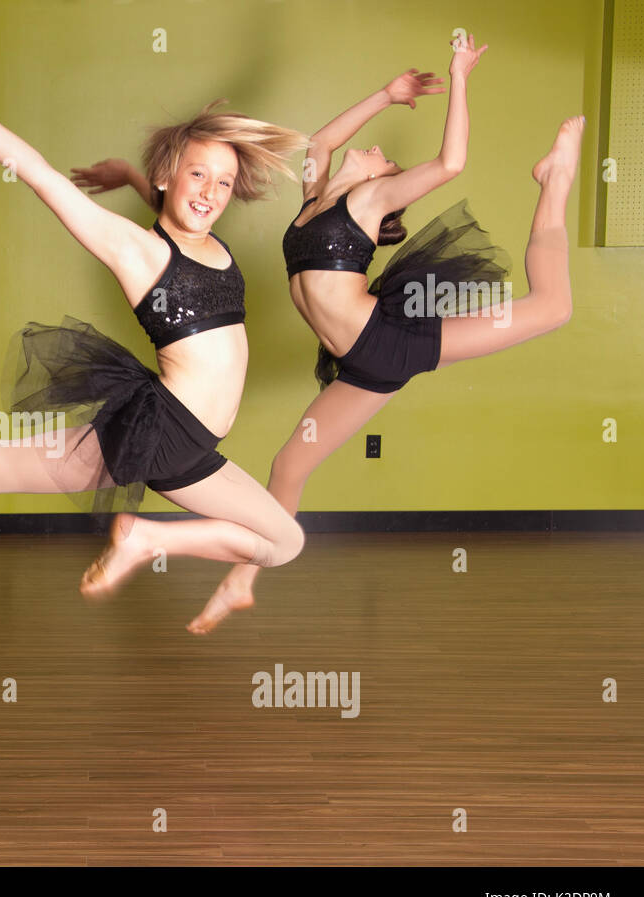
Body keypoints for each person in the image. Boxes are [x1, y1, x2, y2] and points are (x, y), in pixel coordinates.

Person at [0, 51, 310, 628]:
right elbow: (38, 172)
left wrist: (127, 177)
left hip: (185, 444)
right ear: (167, 175)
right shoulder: (137, 250)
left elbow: (178, 208)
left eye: (223, 182)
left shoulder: (207, 241)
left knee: (283, 542)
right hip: (169, 432)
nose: (210, 191)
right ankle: (145, 539)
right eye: (198, 174)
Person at [179, 35, 582, 633]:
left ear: (381, 181)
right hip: (364, 368)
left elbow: (451, 164)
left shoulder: (367, 201)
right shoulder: (316, 195)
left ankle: (555, 180)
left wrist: (460, 75)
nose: (376, 152)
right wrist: (388, 96)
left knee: (552, 307)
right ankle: (240, 584)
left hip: (394, 339)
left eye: (384, 159)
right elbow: (322, 140)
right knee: (288, 465)